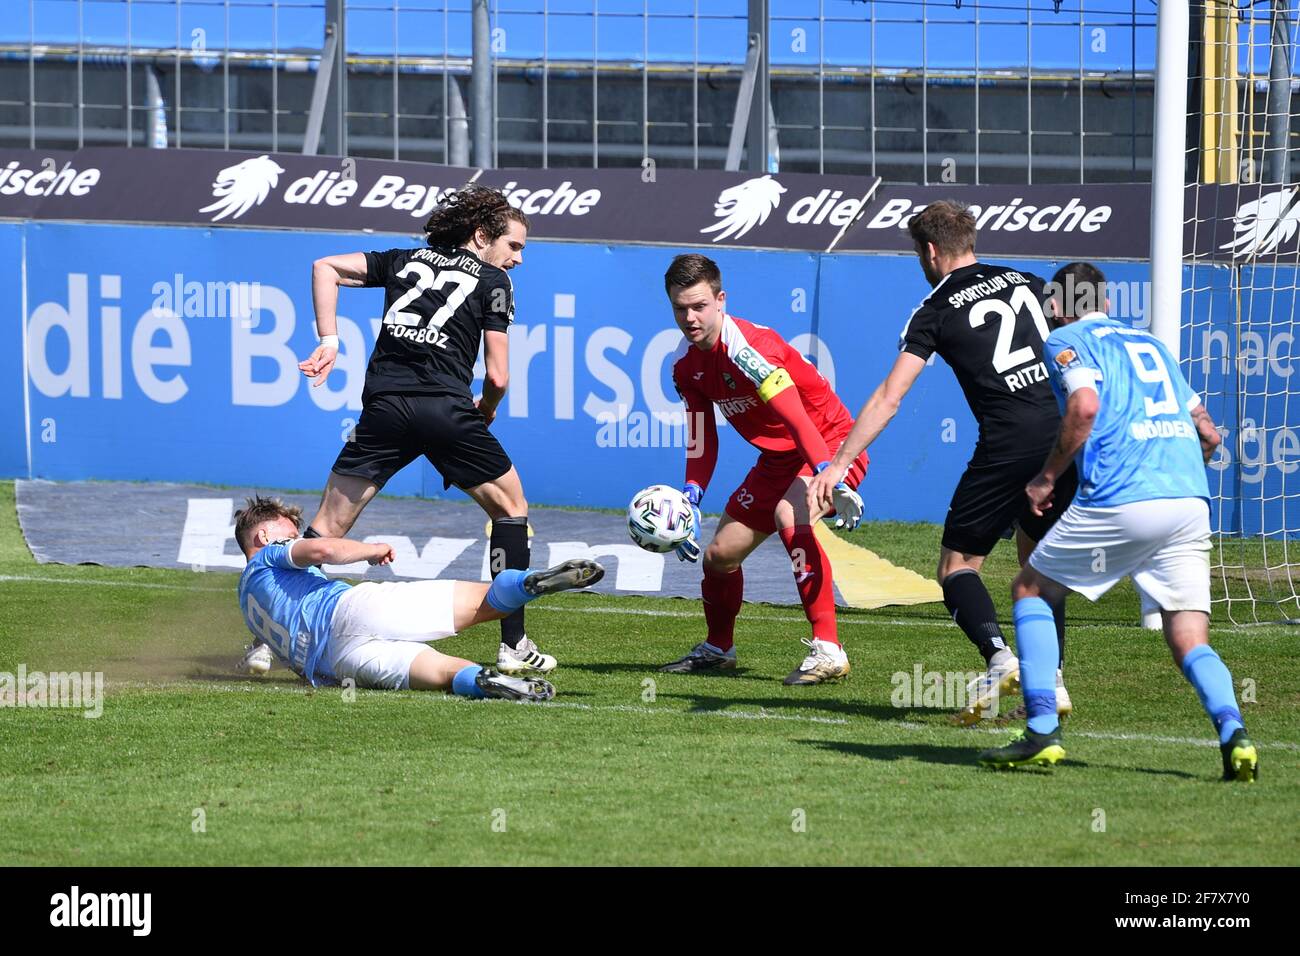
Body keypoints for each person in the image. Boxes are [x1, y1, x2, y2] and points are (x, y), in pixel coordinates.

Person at [978, 263, 1258, 781]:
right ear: (1106, 302)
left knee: (1031, 591)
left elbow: (1084, 406)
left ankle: (1041, 730)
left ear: (1057, 306)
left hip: (1124, 494)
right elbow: (1210, 435)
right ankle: (1235, 734)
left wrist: (1046, 477)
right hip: (1188, 498)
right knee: (1189, 636)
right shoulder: (1149, 343)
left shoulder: (1065, 339)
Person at [808, 200, 1075, 722]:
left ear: (929, 251)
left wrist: (839, 462)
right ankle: (1053, 681)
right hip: (1064, 435)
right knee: (1037, 563)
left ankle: (999, 657)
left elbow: (891, 395)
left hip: (1008, 441)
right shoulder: (1028, 281)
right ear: (970, 240)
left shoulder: (934, 308)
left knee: (956, 567)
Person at [294, 183, 555, 677]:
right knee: (512, 509)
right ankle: (513, 643)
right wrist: (488, 409)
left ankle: (273, 634)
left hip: (384, 410)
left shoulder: (402, 259)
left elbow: (323, 266)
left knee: (325, 530)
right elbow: (498, 376)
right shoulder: (494, 280)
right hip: (445, 410)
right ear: (482, 236)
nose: (518, 259)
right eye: (514, 245)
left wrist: (329, 340)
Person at [657, 254, 867, 685]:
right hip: (777, 459)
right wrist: (692, 493)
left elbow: (797, 419)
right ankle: (719, 649)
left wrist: (829, 470)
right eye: (680, 308)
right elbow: (701, 435)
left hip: (828, 442)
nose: (690, 317)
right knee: (719, 557)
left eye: (699, 306)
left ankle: (829, 650)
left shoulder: (751, 351)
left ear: (721, 300)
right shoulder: (685, 365)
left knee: (790, 513)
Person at [234, 495, 604, 698]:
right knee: (485, 604)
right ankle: (532, 583)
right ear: (264, 537)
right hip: (349, 612)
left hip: (336, 663)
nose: (297, 535)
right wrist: (370, 549)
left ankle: (488, 683)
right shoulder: (271, 554)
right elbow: (320, 552)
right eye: (289, 531)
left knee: (444, 672)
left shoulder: (246, 601)